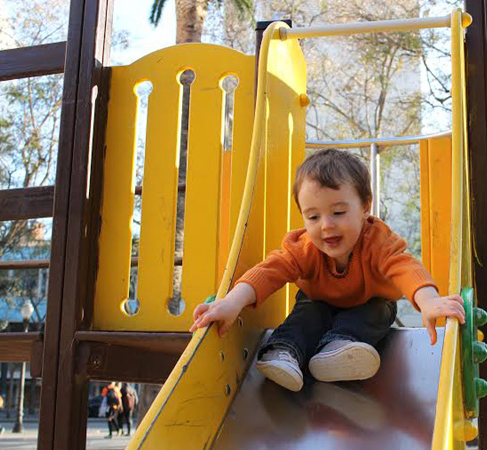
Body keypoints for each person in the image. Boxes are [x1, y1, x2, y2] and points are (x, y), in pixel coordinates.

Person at [190, 148, 465, 392]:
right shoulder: (305, 248)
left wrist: (428, 302)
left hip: (369, 303)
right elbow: (269, 271)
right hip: (319, 302)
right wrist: (231, 302)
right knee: (306, 312)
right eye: (313, 217)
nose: (326, 225)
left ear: (365, 207)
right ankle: (284, 352)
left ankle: (339, 350)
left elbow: (405, 267)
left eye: (338, 212)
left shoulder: (377, 241)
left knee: (378, 311)